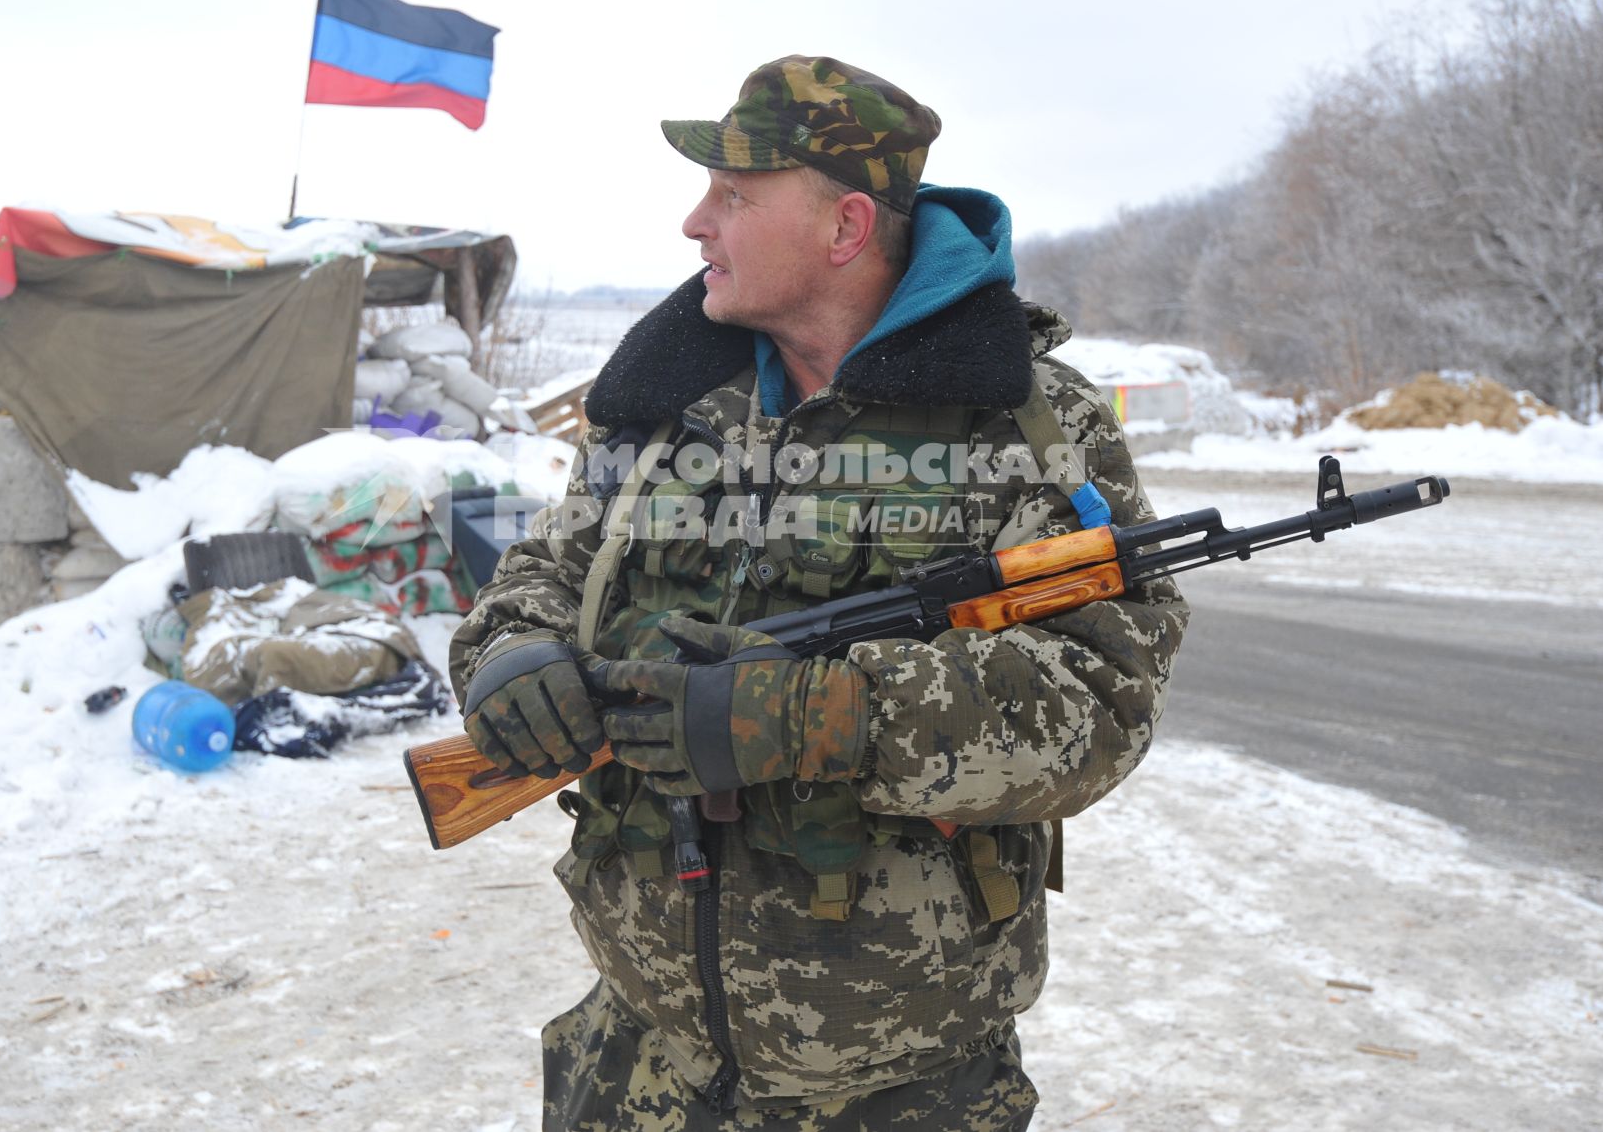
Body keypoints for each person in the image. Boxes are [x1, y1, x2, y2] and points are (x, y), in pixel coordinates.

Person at [449, 55, 1189, 1130]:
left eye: (735, 196)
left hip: (897, 1086)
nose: (695, 222)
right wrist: (509, 652)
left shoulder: (1026, 427)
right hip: (638, 1057)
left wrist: (821, 716)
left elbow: (1100, 699)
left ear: (844, 227)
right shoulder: (665, 402)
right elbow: (553, 566)